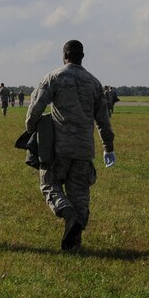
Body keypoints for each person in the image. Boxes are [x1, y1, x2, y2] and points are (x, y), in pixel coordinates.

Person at [25, 40, 115, 251]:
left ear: (64, 55)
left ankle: (68, 214)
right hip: (84, 149)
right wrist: (108, 147)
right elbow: (103, 120)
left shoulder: (54, 77)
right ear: (82, 56)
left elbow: (36, 107)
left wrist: (30, 129)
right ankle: (74, 243)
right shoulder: (94, 83)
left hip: (58, 148)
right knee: (80, 194)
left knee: (48, 184)